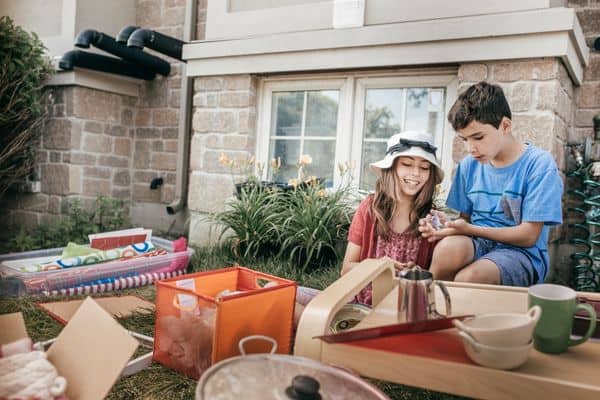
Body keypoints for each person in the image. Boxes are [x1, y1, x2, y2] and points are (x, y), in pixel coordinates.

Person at [419, 81, 563, 286]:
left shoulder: (539, 165)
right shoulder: (468, 166)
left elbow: (529, 236)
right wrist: (446, 224)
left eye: (478, 137)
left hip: (521, 253)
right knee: (446, 250)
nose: (471, 148)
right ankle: (428, 309)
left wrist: (469, 229)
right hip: (478, 242)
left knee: (470, 278)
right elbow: (465, 220)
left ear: (505, 125)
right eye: (464, 139)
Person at [341, 130, 444, 305]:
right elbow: (346, 269)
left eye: (425, 167)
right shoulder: (369, 208)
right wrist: (379, 267)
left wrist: (418, 274)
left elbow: (436, 276)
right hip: (359, 305)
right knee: (290, 300)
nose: (416, 173)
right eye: (407, 164)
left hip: (404, 307)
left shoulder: (432, 219)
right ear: (391, 167)